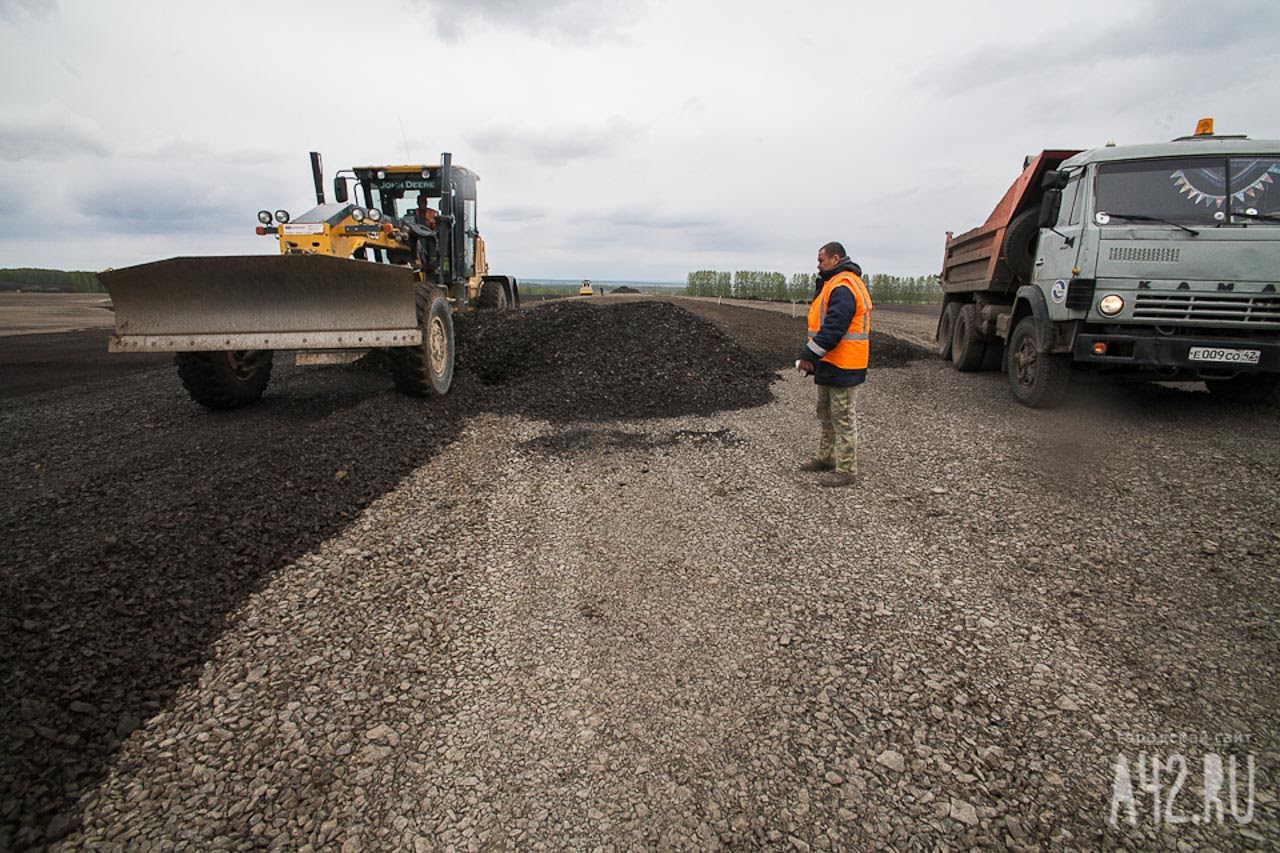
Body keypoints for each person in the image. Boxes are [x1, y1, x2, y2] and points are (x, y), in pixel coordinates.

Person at [796, 242, 873, 486]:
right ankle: (825, 457)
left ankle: (847, 470)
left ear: (835, 258)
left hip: (845, 364)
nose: (818, 265)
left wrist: (809, 355)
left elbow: (834, 327)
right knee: (826, 413)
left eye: (821, 260)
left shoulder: (843, 287)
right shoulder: (833, 284)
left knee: (842, 417)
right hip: (831, 361)